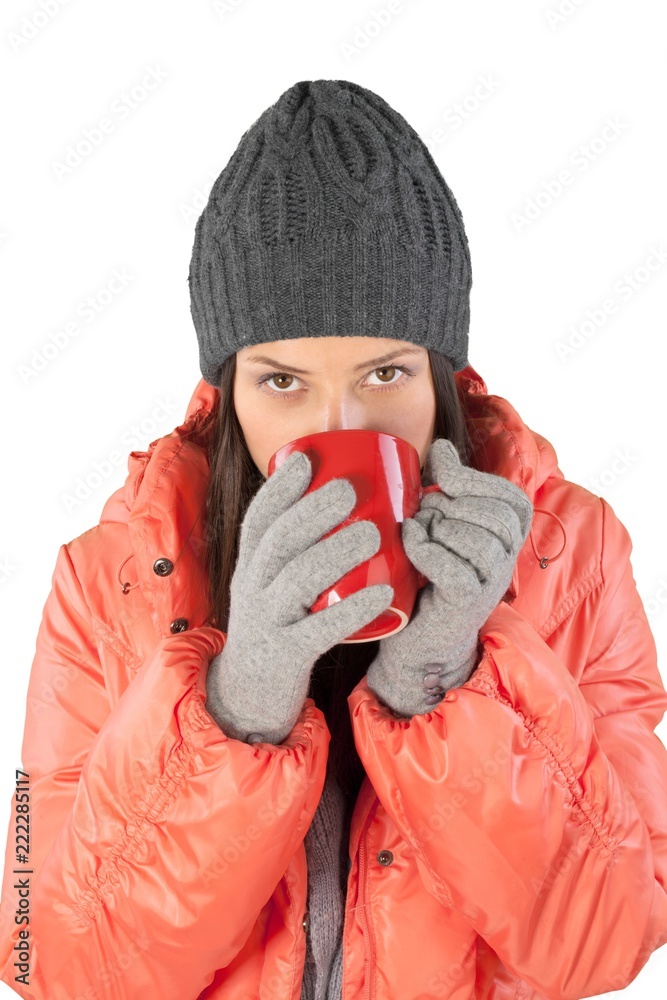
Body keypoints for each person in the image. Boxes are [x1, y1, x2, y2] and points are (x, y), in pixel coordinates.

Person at [1, 78, 666, 1000]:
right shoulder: (108, 578)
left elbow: (605, 941)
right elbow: (52, 963)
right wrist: (237, 707)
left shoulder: (570, 552)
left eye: (385, 371)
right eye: (281, 382)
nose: (337, 420)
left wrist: (445, 680)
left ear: (442, 376)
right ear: (229, 390)